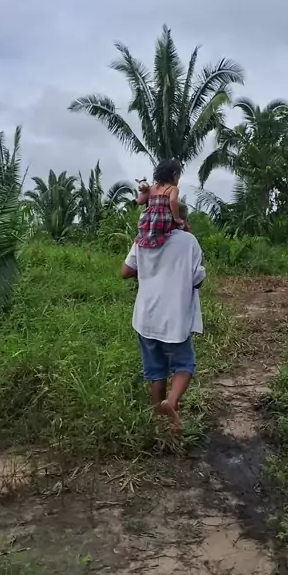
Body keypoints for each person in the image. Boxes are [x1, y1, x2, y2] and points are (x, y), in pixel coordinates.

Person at [121, 217, 205, 432]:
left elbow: (126, 272)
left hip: (146, 317)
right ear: (180, 219)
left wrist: (150, 268)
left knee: (156, 369)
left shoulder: (143, 239)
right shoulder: (188, 241)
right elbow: (198, 279)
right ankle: (171, 401)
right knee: (185, 364)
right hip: (174, 318)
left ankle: (159, 417)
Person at [135, 158, 184, 248]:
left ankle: (147, 239)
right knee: (182, 225)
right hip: (162, 221)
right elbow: (172, 201)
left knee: (145, 231)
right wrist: (177, 218)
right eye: (178, 177)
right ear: (175, 174)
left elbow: (140, 201)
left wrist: (144, 189)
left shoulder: (151, 188)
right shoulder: (173, 189)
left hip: (147, 221)